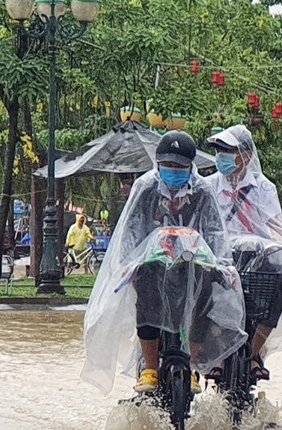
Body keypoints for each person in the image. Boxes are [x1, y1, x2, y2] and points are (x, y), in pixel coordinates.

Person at [81, 130, 246, 395]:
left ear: (190, 166)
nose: (172, 171)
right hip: (154, 265)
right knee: (145, 293)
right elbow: (130, 228)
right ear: (158, 163)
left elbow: (215, 231)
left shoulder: (202, 191)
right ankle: (149, 368)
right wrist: (128, 262)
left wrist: (224, 264)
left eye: (178, 167)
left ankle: (191, 364)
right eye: (167, 165)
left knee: (207, 294)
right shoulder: (145, 187)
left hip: (192, 263)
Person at [201, 125, 282, 378]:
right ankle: (215, 352)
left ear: (246, 156)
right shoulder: (208, 186)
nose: (221, 156)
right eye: (219, 151)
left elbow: (273, 224)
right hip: (219, 258)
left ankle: (253, 355)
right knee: (203, 292)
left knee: (279, 285)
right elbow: (203, 223)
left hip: (256, 258)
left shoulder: (263, 187)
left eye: (228, 151)